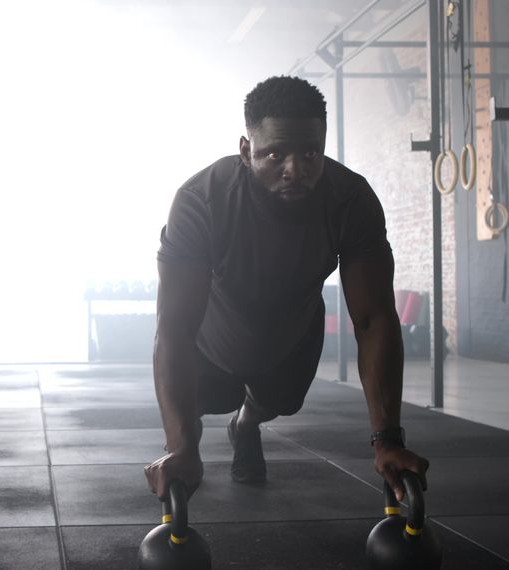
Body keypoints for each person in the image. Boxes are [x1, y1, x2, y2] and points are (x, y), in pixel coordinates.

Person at [144, 76, 430, 503]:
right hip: (210, 342)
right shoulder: (201, 200)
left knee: (279, 402)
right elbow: (174, 330)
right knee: (202, 404)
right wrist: (181, 448)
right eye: (274, 153)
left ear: (323, 144)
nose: (294, 169)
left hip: (290, 338)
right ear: (246, 151)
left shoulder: (350, 200)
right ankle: (207, 426)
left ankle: (245, 424)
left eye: (310, 153)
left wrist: (387, 439)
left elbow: (373, 320)